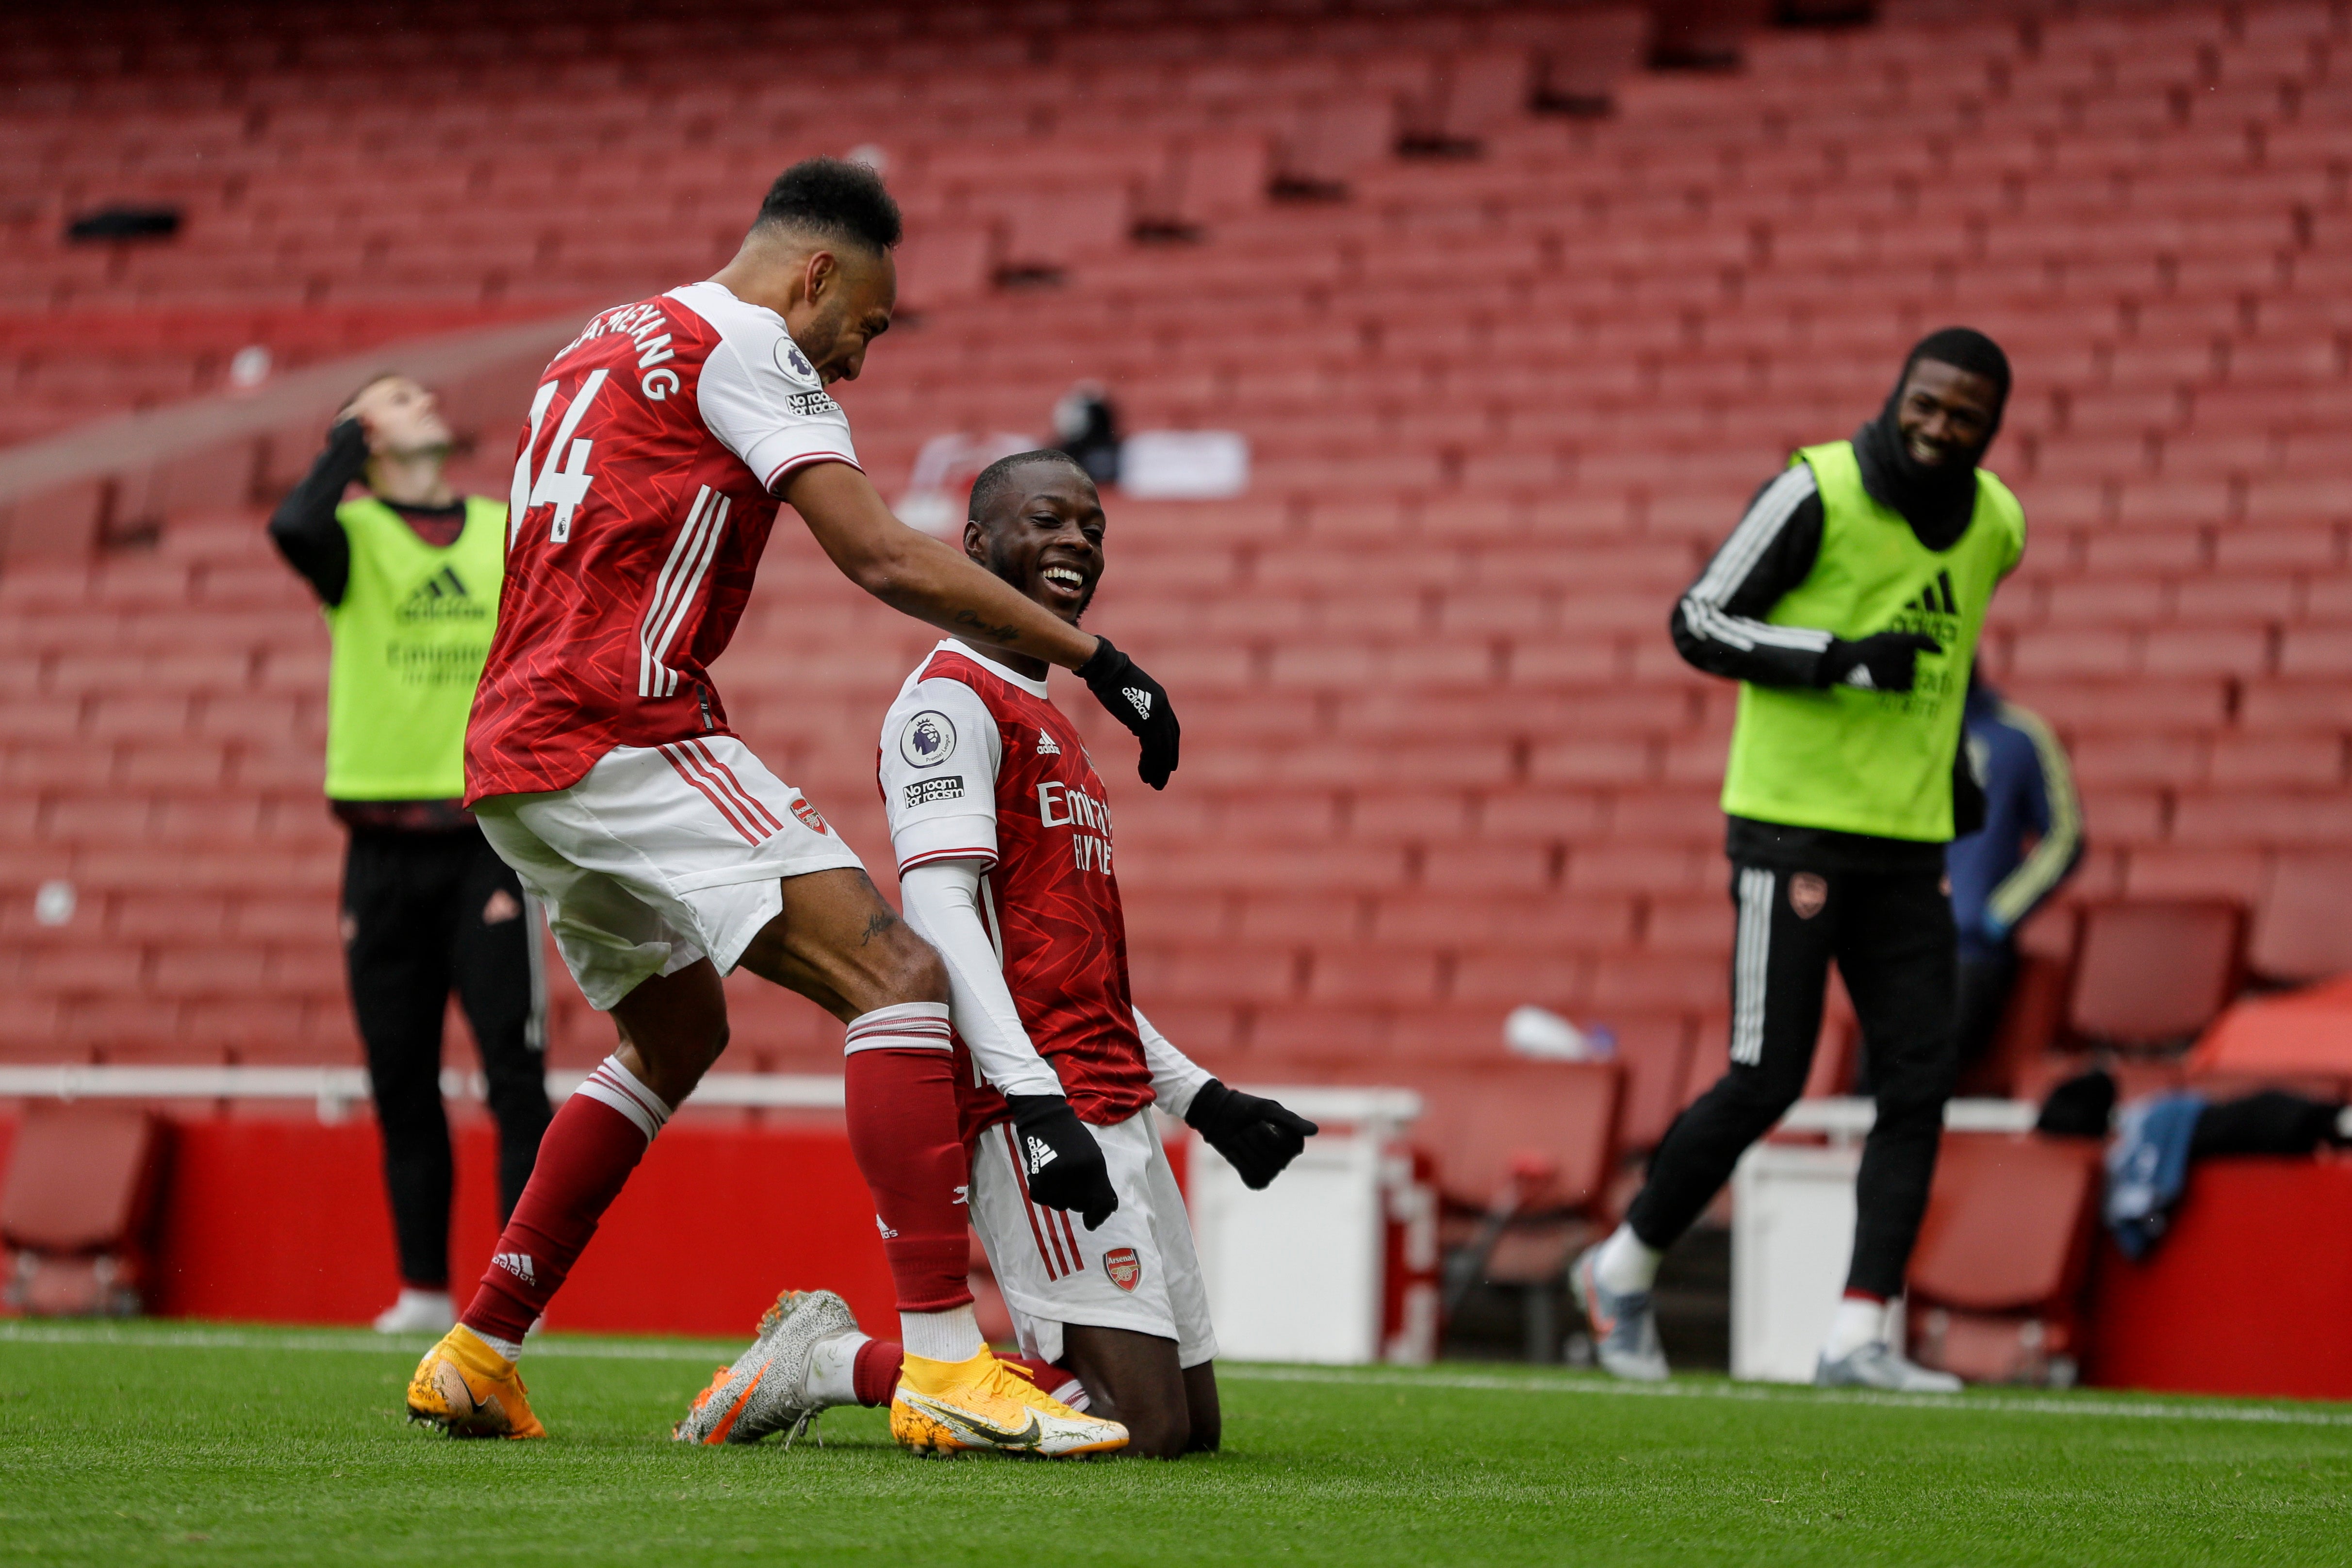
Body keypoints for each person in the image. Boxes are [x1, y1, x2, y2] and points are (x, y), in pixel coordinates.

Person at [402, 160, 1183, 1453]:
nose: (858, 360)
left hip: (512, 748)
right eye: (864, 325)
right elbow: (877, 550)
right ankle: (940, 1355)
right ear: (813, 273)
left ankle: (481, 1343)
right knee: (898, 972)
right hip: (625, 726)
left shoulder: (592, 340)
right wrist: (1098, 658)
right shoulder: (751, 342)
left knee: (672, 1030)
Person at [669, 451, 1317, 1457]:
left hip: (1109, 1089)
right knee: (1135, 1428)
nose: (1075, 542)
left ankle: (869, 1361)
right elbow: (939, 913)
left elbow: (1075, 965)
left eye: (1091, 529)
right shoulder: (948, 704)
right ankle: (831, 1361)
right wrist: (1029, 1097)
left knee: (1186, 1430)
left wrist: (1201, 1099)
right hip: (1042, 1099)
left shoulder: (1050, 714)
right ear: (974, 547)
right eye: (1046, 520)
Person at [1571, 328, 2025, 1393]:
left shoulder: (1995, 522)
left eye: (1961, 415)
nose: (1935, 425)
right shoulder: (1814, 489)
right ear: (1897, 392)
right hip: (1792, 828)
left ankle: (1857, 1333)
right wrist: (1833, 661)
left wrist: (1949, 764)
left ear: (1989, 429)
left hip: (1908, 840)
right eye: (1923, 402)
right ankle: (1620, 1266)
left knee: (1917, 1080)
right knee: (1768, 1074)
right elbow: (1695, 620)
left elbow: (1947, 654)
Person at [267, 374, 551, 1337]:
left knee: (514, 1073)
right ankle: (424, 1290)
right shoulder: (353, 538)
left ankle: (520, 1295)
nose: (423, 399)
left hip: (487, 844)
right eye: (397, 397)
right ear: (362, 431)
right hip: (378, 853)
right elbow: (294, 524)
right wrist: (349, 437)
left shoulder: (496, 528)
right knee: (401, 1074)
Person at [1949, 671, 2082, 1071]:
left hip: (1969, 952)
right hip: (1901, 949)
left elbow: (2065, 837)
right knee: (1864, 1089)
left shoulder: (2018, 734)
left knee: (1914, 1080)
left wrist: (1996, 914)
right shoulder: (1901, 732)